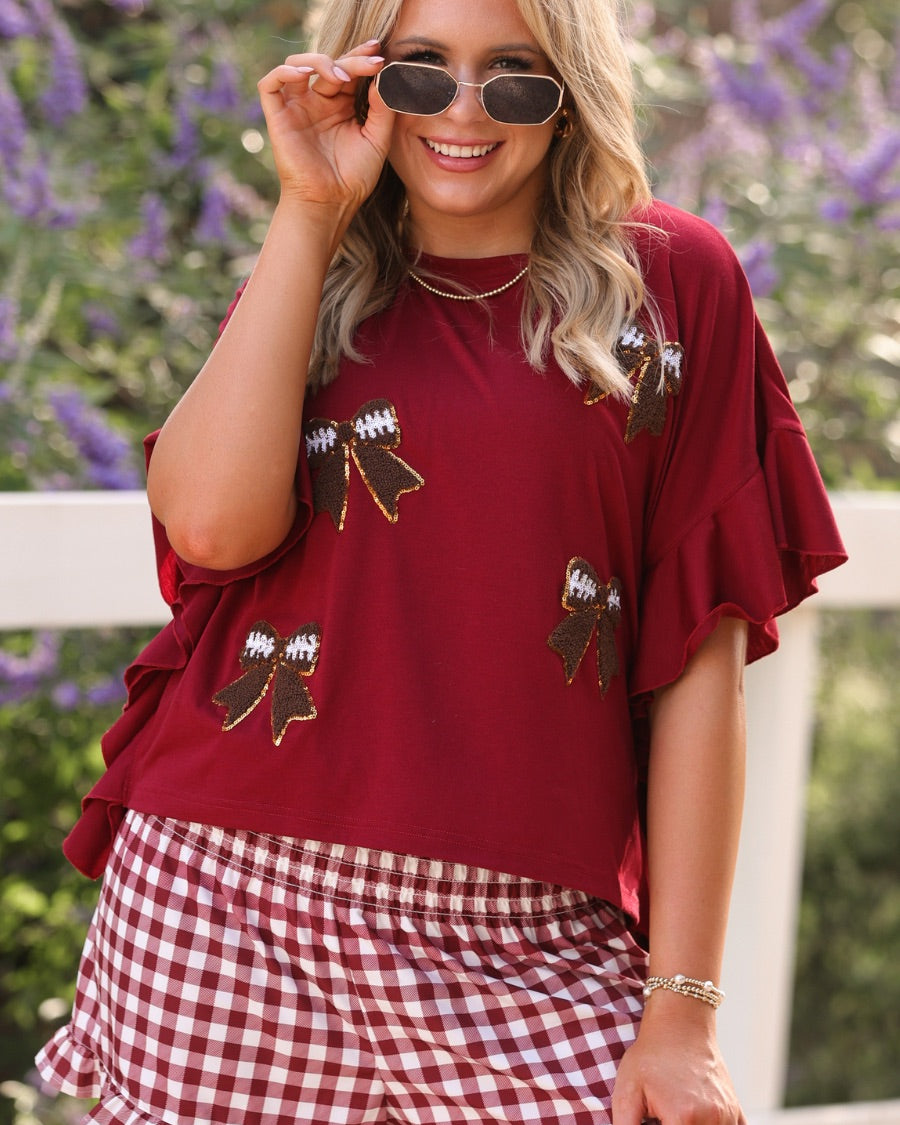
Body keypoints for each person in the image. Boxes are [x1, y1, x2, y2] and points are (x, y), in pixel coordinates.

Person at [36, 0, 848, 1122]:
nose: (464, 111)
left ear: (569, 100)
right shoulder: (309, 268)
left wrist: (683, 1013)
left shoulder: (673, 286)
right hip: (233, 899)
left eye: (513, 77)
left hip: (534, 938)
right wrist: (310, 206)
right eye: (421, 73)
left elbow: (697, 665)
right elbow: (213, 534)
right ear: (368, 80)